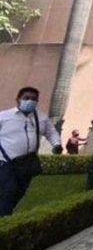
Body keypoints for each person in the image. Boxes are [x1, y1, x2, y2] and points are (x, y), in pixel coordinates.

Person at [0, 86, 62, 216]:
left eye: (34, 99)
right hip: (6, 162)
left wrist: (56, 144)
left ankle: (6, 213)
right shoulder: (4, 116)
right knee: (9, 190)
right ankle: (4, 219)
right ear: (18, 99)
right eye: (26, 98)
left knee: (20, 191)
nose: (30, 101)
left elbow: (51, 132)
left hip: (27, 163)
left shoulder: (41, 118)